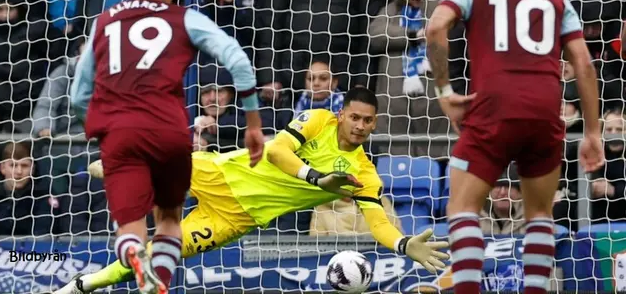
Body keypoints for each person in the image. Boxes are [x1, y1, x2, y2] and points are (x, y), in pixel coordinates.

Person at [54, 87, 450, 294]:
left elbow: (377, 222)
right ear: (341, 113)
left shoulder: (365, 172)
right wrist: (317, 179)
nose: (360, 125)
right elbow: (277, 149)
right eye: (355, 117)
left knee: (157, 257)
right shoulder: (316, 120)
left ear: (375, 125)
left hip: (235, 217)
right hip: (221, 172)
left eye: (368, 121)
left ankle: (79, 286)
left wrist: (402, 245)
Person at [69, 0, 265, 292]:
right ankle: (159, 284)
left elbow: (77, 95)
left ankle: (133, 252)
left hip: (122, 133)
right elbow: (238, 60)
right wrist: (252, 122)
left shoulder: (105, 21)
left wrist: (99, 130)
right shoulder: (186, 17)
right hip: (171, 131)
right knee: (170, 220)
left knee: (129, 227)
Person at [424, 0, 605, 294]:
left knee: (462, 209)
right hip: (546, 111)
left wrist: (445, 92)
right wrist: (593, 133)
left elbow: (435, 27)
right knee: (539, 214)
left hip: (495, 106)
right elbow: (584, 62)